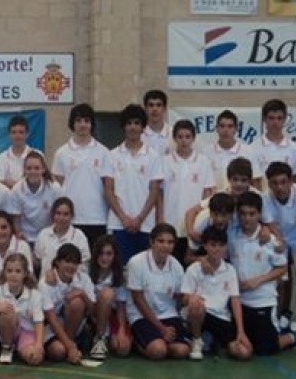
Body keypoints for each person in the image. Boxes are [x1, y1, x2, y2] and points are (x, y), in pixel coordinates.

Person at [228, 192, 296, 356]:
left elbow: (282, 268)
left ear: (259, 214)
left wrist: (258, 281)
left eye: (252, 214)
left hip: (263, 302)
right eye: (243, 214)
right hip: (240, 303)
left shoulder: (270, 240)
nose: (247, 218)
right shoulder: (233, 236)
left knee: (266, 349)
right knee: (241, 349)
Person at [180, 226, 251, 361]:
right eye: (213, 245)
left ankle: (213, 341)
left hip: (221, 318)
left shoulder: (230, 270)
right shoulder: (194, 269)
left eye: (221, 245)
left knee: (244, 352)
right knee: (195, 304)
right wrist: (192, 298)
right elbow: (183, 299)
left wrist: (241, 331)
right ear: (205, 246)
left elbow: (235, 300)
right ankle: (196, 341)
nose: (217, 249)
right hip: (200, 314)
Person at [104, 105, 165, 262]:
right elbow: (109, 190)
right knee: (120, 272)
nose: (133, 127)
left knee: (144, 272)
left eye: (137, 123)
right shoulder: (112, 155)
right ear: (123, 126)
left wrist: (140, 218)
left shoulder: (153, 156)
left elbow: (154, 191)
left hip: (145, 225)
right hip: (119, 225)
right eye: (129, 123)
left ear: (143, 127)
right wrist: (123, 218)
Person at [125, 223, 191, 360]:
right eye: (161, 241)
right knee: (158, 351)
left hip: (168, 314)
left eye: (170, 242)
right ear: (151, 242)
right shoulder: (136, 262)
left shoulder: (177, 266)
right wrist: (162, 328)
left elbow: (179, 297)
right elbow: (138, 300)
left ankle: (160, 343)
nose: (165, 246)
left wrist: (191, 300)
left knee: (182, 351)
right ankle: (138, 344)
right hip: (141, 315)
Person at [261, 161, 296, 329]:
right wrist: (280, 243)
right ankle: (281, 316)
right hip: (277, 236)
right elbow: (271, 225)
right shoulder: (264, 198)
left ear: (291, 181)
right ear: (269, 184)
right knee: (280, 279)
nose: (279, 187)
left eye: (283, 182)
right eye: (275, 183)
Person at [52, 104, 112, 245]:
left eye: (86, 121)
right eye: (78, 121)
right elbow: (59, 181)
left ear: (92, 124)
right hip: (71, 219)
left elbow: (108, 186)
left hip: (97, 217)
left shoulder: (104, 152)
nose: (82, 125)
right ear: (72, 123)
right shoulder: (62, 152)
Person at [162, 119, 216, 262]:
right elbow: (159, 194)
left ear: (193, 138)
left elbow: (207, 194)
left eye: (187, 136)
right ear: (174, 138)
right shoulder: (165, 161)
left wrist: (200, 220)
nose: (184, 141)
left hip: (194, 226)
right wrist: (160, 220)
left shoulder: (203, 161)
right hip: (171, 222)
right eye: (180, 137)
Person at [0, 253, 49, 366]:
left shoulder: (34, 295)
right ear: (4, 273)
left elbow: (38, 322)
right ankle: (7, 348)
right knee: (7, 312)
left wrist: (39, 345)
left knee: (34, 359)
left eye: (18, 271)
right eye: (9, 271)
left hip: (26, 333)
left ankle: (21, 349)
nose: (13, 275)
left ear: (25, 274)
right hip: (4, 333)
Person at [39, 244, 96, 365]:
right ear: (58, 262)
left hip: (75, 328)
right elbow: (51, 319)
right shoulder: (45, 283)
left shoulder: (83, 279)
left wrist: (82, 295)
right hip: (52, 328)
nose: (71, 266)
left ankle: (73, 341)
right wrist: (70, 347)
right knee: (58, 352)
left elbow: (92, 311)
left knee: (77, 302)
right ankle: (70, 346)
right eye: (67, 261)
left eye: (75, 263)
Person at [87, 235, 131, 358]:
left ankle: (108, 335)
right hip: (92, 312)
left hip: (112, 315)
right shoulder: (87, 271)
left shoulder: (120, 275)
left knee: (123, 349)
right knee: (107, 294)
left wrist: (122, 330)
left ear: (114, 255)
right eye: (101, 254)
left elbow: (121, 305)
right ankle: (99, 337)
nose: (104, 258)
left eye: (109, 254)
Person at [6, 151, 61, 248]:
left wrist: (53, 235)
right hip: (25, 238)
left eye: (36, 168)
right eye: (29, 168)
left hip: (48, 236)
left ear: (43, 169)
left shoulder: (54, 188)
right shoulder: (16, 190)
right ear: (24, 170)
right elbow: (16, 219)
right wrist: (20, 236)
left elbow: (59, 214)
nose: (32, 171)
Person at [33, 196, 91, 278]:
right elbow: (38, 261)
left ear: (72, 216)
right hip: (47, 285)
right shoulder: (43, 234)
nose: (61, 218)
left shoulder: (79, 236)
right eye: (58, 213)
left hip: (72, 286)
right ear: (53, 215)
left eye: (66, 214)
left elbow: (83, 267)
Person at [205, 110, 262, 192]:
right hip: (215, 202)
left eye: (230, 126)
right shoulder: (206, 153)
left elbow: (256, 181)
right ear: (216, 128)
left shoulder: (249, 152)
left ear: (236, 129)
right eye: (222, 126)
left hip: (242, 202)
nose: (226, 130)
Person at [257, 99, 296, 183]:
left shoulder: (294, 148)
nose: (275, 122)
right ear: (264, 119)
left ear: (285, 119)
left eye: (279, 118)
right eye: (271, 118)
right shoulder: (253, 148)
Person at [0, 115, 39, 188]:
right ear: (9, 135)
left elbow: (42, 181)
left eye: (21, 132)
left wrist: (11, 184)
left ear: (27, 134)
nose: (17, 136)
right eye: (14, 132)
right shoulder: (0, 158)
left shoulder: (38, 155)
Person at [141, 89, 172, 155]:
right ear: (145, 109)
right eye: (151, 105)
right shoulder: (139, 135)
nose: (154, 109)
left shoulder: (173, 134)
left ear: (164, 108)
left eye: (158, 105)